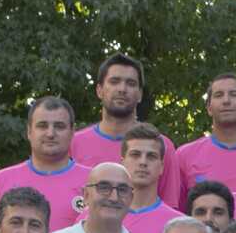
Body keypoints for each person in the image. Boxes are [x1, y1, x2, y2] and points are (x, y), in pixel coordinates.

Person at [72, 51, 181, 202]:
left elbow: (169, 209)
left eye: (131, 83)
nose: (122, 89)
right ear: (99, 90)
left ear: (140, 94)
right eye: (114, 81)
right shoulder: (74, 144)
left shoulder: (161, 146)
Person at [0, 95, 89, 230]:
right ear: (29, 131)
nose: (50, 133)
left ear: (72, 132)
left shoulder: (94, 182)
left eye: (59, 126)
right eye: (42, 126)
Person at [175, 70, 236, 205]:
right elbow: (175, 212)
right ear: (209, 108)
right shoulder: (184, 155)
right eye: (219, 95)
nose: (226, 101)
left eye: (233, 94)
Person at [117, 124, 181, 233]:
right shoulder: (96, 217)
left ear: (162, 166)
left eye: (151, 156)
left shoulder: (178, 225)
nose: (143, 162)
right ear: (122, 162)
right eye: (135, 155)